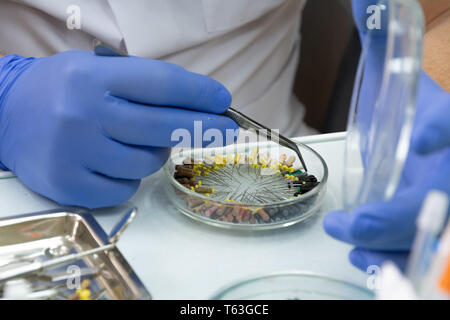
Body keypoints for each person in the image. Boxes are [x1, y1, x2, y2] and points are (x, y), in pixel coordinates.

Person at [0, 0, 449, 271]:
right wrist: (5, 99)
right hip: (25, 198)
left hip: (284, 194)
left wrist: (412, 85)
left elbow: (432, 14)